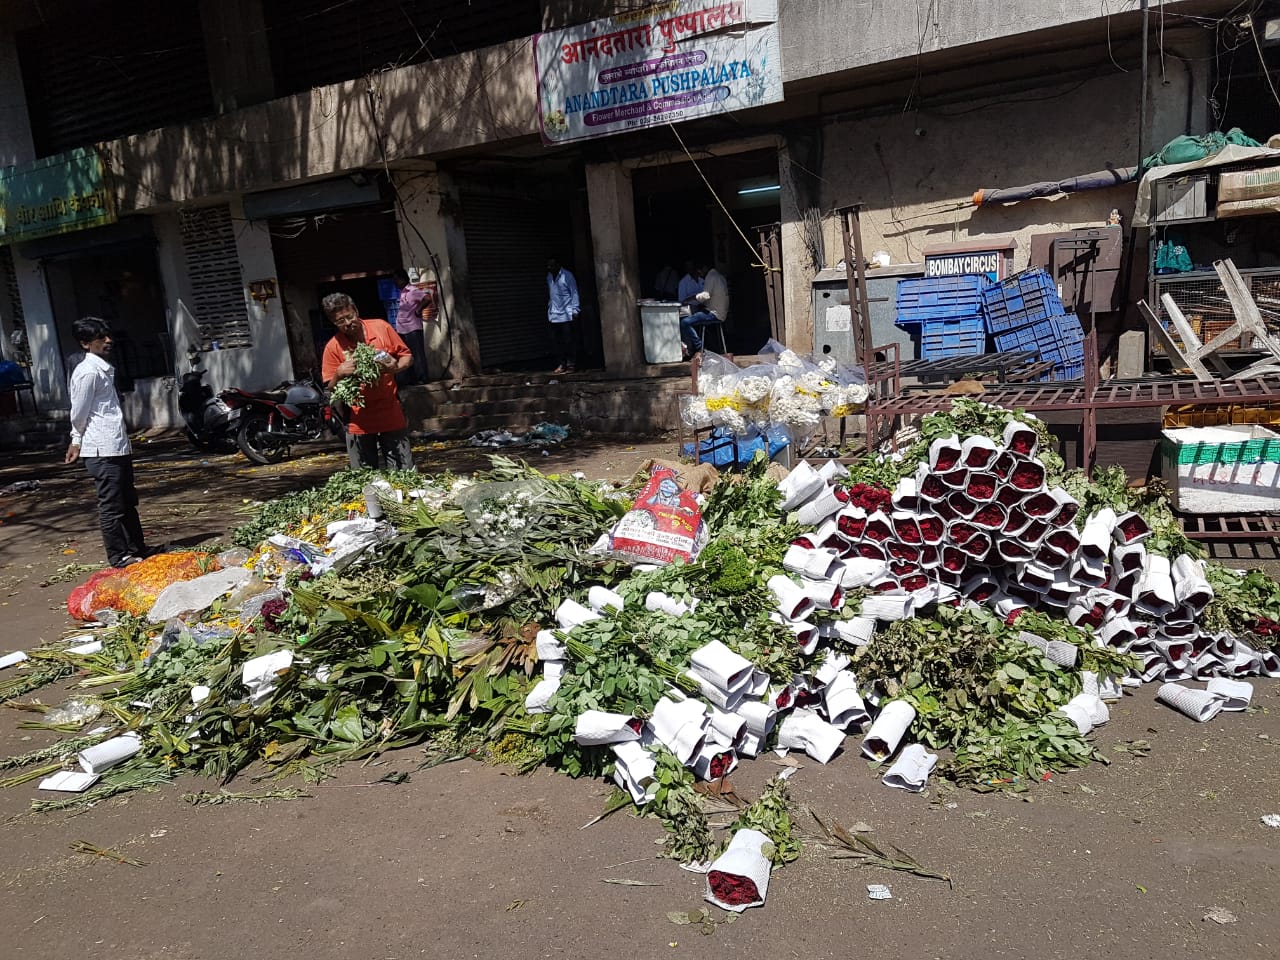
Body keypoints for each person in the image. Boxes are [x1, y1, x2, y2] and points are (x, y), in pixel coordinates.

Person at [64, 316, 151, 568]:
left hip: (118, 445)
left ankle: (137, 548)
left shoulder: (102, 369)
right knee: (111, 506)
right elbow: (78, 413)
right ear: (85, 343)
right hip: (101, 449)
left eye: (107, 335)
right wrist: (76, 440)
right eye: (100, 338)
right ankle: (118, 556)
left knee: (128, 502)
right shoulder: (88, 373)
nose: (108, 341)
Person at [320, 292, 416, 470]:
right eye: (340, 321)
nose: (348, 323)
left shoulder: (381, 327)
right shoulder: (333, 347)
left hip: (390, 411)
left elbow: (407, 356)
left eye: (349, 317)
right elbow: (330, 390)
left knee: (404, 472)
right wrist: (338, 374)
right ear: (333, 323)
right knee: (364, 478)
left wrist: (394, 368)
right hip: (358, 421)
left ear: (356, 310)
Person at [391, 269, 433, 384]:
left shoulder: (412, 291)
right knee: (406, 355)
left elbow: (428, 298)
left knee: (417, 354)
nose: (395, 283)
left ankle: (422, 378)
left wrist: (419, 310)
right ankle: (412, 379)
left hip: (413, 328)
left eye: (396, 280)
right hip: (403, 329)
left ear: (403, 279)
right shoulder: (402, 292)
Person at [680, 261, 729, 358]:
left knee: (685, 322)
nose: (700, 274)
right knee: (696, 318)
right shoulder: (719, 276)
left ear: (705, 268)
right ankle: (703, 347)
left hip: (714, 313)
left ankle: (699, 348)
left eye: (700, 271)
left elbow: (706, 295)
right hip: (721, 312)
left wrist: (692, 298)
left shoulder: (710, 277)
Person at [546, 257, 580, 374]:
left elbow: (574, 292)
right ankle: (561, 363)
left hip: (566, 314)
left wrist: (575, 309)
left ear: (558, 265)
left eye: (552, 265)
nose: (550, 268)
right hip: (554, 315)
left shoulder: (567, 276)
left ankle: (571, 364)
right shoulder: (549, 277)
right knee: (556, 341)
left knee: (568, 340)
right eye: (548, 266)